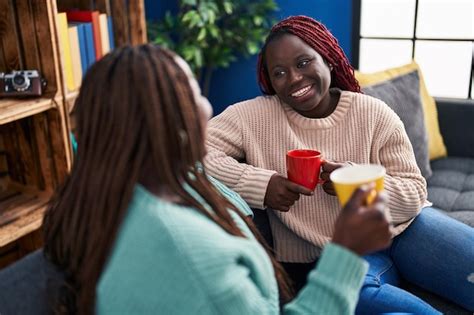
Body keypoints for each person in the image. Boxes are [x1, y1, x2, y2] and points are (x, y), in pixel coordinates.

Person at [42, 44, 392, 314]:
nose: (208, 105)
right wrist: (346, 251)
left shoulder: (120, 193)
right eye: (195, 93)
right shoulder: (188, 253)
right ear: (172, 124)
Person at [204, 15, 474, 314]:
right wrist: (260, 184)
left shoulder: (373, 113)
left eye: (304, 63)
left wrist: (360, 185)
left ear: (329, 60)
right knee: (356, 298)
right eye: (279, 72)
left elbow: (414, 193)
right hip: (337, 252)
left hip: (408, 230)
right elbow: (192, 154)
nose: (293, 78)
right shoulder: (252, 117)